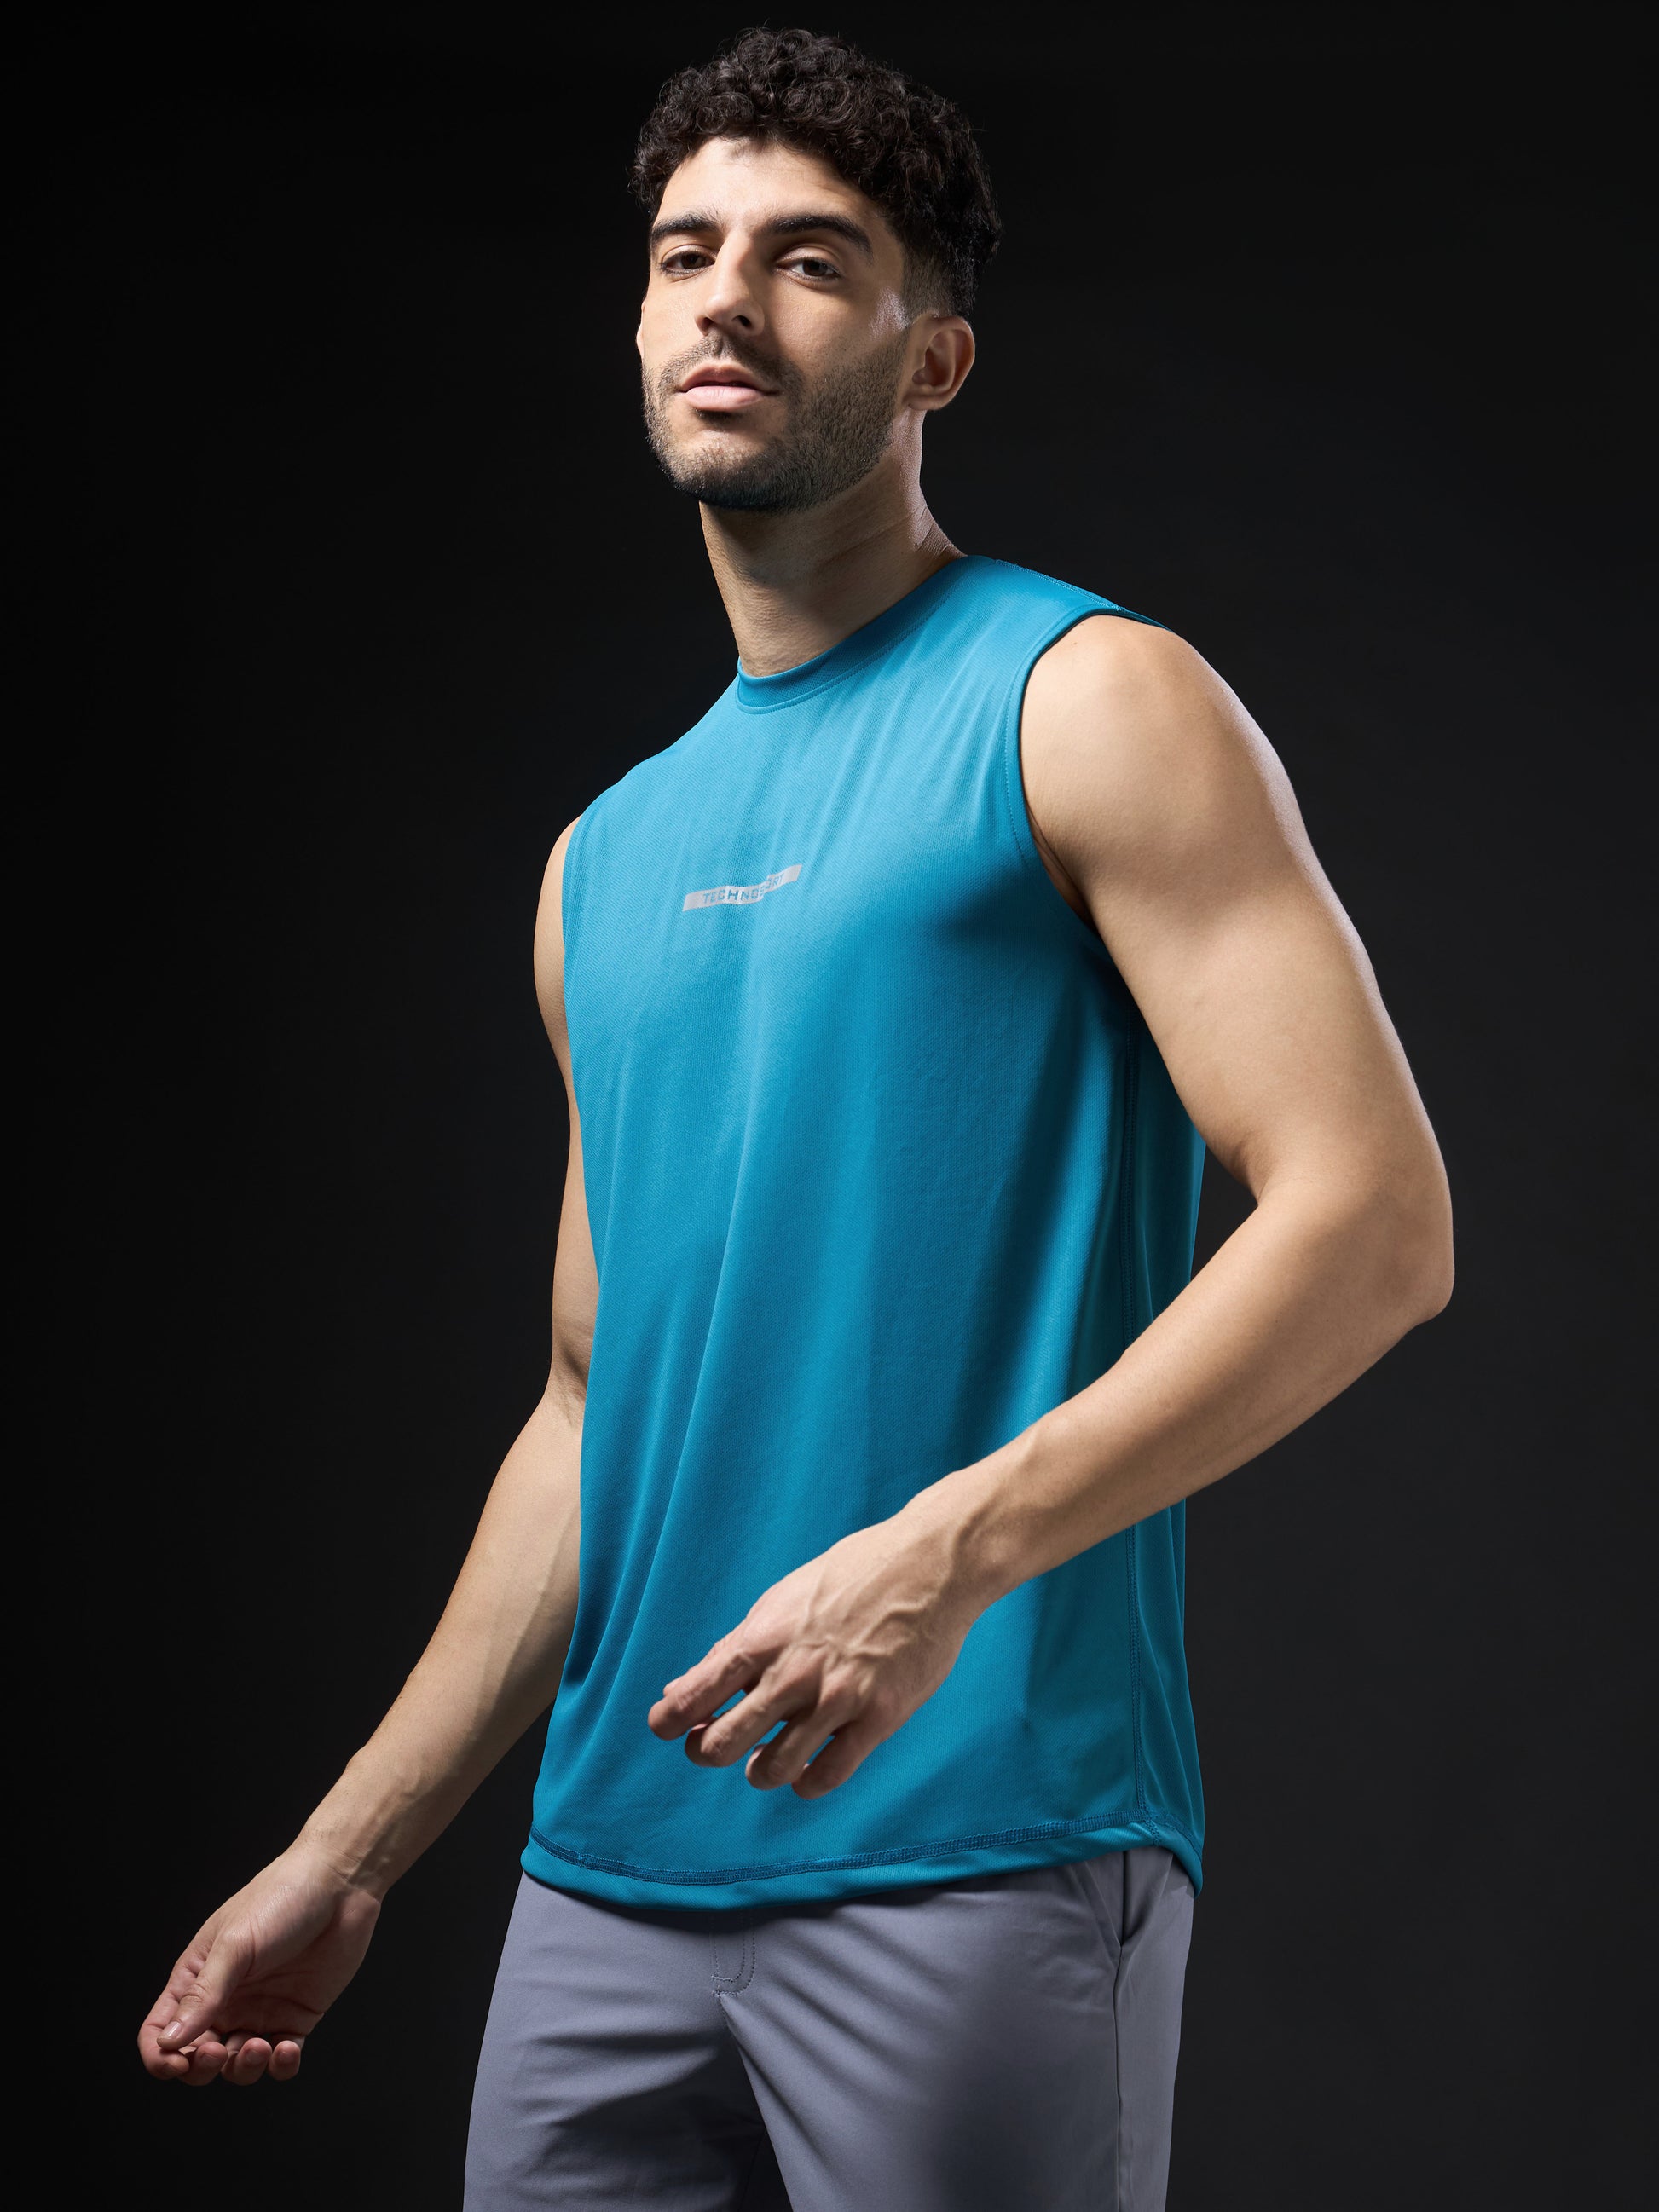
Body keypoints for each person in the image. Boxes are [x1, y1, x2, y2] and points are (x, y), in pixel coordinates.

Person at [137, 26, 1454, 2210]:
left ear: (934, 358)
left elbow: (1376, 1220)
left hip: (976, 1841)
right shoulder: (600, 859)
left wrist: (948, 1553)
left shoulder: (1087, 700)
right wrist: (348, 1849)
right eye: (686, 253)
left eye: (809, 259)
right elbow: (591, 1403)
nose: (726, 299)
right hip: (601, 1883)